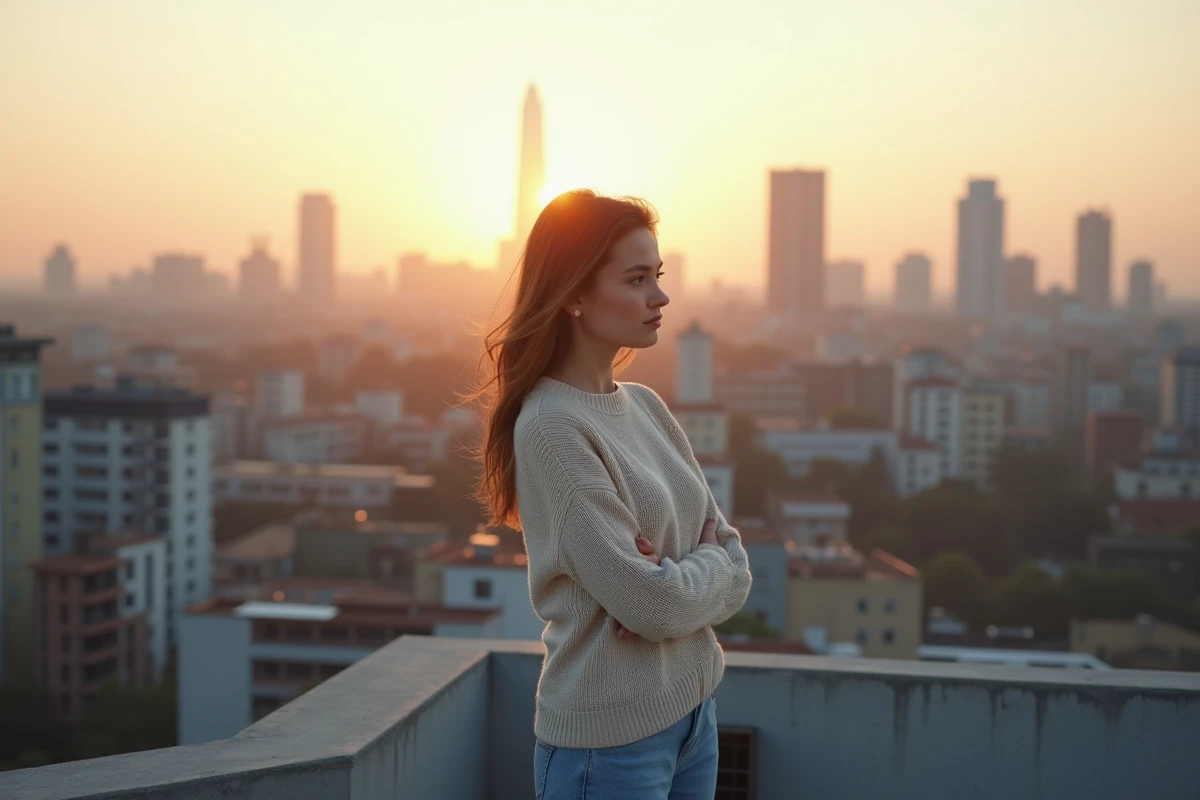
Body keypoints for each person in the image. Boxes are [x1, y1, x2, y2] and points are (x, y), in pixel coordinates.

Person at [470, 190, 753, 799]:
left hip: (694, 714)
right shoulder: (551, 427)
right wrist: (689, 577)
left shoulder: (646, 406)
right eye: (636, 279)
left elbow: (736, 565)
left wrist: (677, 582)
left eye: (658, 275)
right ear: (573, 293)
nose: (660, 297)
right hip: (607, 747)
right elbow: (655, 604)